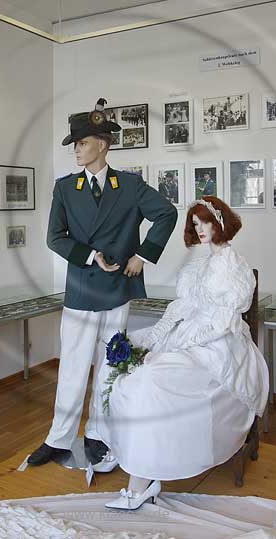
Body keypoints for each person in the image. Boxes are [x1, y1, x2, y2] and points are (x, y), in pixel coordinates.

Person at [26, 98, 178, 470]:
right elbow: (54, 238)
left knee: (111, 365)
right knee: (73, 365)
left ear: (102, 145)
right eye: (76, 145)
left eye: (82, 143)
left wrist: (141, 256)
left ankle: (98, 434)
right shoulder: (65, 188)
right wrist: (92, 255)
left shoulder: (129, 185)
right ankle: (58, 438)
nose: (77, 150)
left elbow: (167, 214)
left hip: (116, 290)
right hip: (82, 286)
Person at [97, 196, 269, 510]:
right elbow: (181, 307)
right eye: (195, 223)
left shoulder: (234, 265)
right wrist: (155, 336)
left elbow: (223, 321)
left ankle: (142, 479)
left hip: (219, 342)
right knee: (125, 354)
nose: (200, 228)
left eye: (204, 221)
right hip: (188, 332)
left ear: (220, 222)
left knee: (152, 378)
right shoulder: (200, 263)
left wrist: (180, 345)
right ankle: (125, 453)